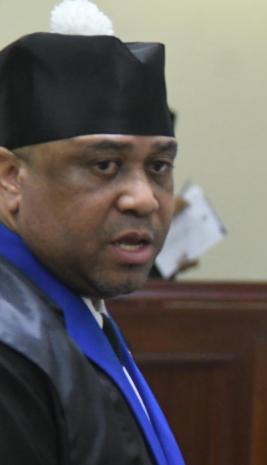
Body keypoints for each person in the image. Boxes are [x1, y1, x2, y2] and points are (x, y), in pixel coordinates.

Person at [0, 1, 186, 464]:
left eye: (158, 166)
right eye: (104, 165)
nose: (143, 199)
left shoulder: (73, 306)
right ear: (10, 178)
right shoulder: (10, 348)